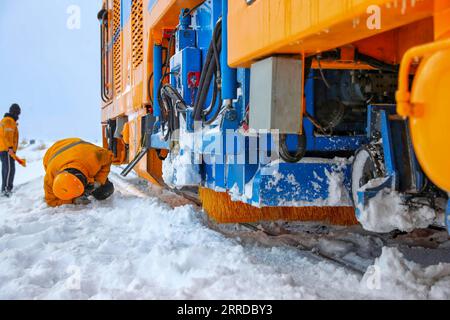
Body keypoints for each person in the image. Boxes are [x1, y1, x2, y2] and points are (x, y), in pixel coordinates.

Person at [43, 138, 115, 207]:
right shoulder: (50, 177)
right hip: (52, 154)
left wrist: (99, 181)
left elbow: (109, 157)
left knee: (104, 191)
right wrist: (73, 200)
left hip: (80, 150)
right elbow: (51, 201)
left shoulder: (95, 157)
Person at [0, 104, 21, 197]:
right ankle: (6, 190)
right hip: (6, 149)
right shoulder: (9, 121)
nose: (18, 115)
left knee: (7, 169)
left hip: (5, 149)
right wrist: (10, 148)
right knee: (9, 169)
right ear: (14, 112)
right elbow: (7, 135)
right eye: (18, 113)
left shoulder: (7, 120)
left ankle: (6, 188)